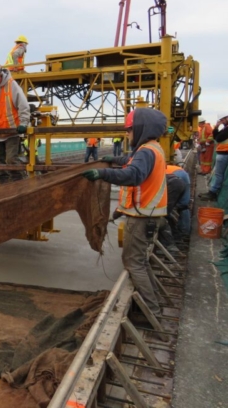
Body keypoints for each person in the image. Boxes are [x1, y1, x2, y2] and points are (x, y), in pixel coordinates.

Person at [83, 108, 168, 317]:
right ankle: (154, 300)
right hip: (148, 215)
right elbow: (131, 162)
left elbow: (134, 174)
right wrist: (116, 159)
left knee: (133, 262)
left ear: (140, 129)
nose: (127, 134)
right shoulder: (152, 148)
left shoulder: (147, 151)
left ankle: (152, 311)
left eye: (129, 130)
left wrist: (102, 173)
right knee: (139, 261)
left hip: (142, 218)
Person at [199, 114, 228, 201]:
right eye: (221, 120)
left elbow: (218, 138)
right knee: (219, 174)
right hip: (222, 153)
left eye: (223, 120)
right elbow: (216, 136)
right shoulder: (225, 128)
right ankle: (212, 192)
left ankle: (213, 193)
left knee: (219, 175)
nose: (222, 122)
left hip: (225, 153)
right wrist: (216, 127)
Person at [166, 164, 191, 239]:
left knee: (166, 208)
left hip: (174, 177)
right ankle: (185, 231)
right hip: (183, 174)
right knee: (184, 205)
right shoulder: (166, 166)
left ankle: (172, 231)